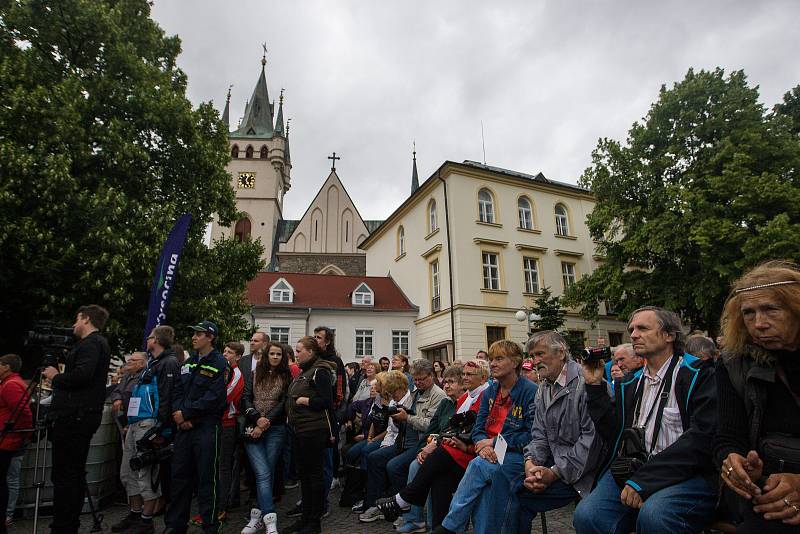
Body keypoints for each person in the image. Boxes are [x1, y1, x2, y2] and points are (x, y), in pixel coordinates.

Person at [573, 306, 718, 534]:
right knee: (587, 516)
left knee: (655, 515)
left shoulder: (697, 374)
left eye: (642, 328)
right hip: (635, 467)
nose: (633, 334)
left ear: (670, 335)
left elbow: (702, 439)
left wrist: (644, 481)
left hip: (686, 472)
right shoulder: (632, 382)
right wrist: (593, 387)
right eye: (631, 329)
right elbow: (614, 433)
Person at [714, 261, 800, 532]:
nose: (758, 324)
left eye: (771, 309)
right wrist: (733, 461)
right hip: (767, 489)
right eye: (748, 313)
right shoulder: (734, 362)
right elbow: (728, 435)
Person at [493, 331, 602, 533]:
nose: (535, 361)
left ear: (560, 353)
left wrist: (553, 473)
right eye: (532, 356)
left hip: (585, 473)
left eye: (540, 354)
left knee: (512, 492)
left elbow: (591, 442)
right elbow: (539, 434)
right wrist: (531, 463)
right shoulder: (544, 386)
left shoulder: (587, 382)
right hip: (553, 465)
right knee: (501, 480)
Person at [42, 304, 111, 534]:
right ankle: (66, 523)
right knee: (70, 473)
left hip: (76, 418)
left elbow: (82, 375)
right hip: (78, 416)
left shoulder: (93, 343)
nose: (73, 325)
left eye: (76, 319)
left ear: (86, 319)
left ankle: (64, 526)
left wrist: (56, 376)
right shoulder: (92, 344)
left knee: (66, 474)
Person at [359, 360, 446, 522]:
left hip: (421, 443)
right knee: (374, 457)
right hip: (404, 440)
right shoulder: (416, 392)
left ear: (431, 376)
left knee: (394, 466)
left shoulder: (438, 395)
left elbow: (431, 425)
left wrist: (407, 418)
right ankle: (376, 504)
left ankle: (401, 506)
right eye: (416, 379)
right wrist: (400, 418)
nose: (418, 382)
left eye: (421, 378)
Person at [114, 326, 180, 534]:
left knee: (145, 473)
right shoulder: (153, 363)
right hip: (136, 422)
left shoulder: (168, 363)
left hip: (150, 425)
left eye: (151, 337)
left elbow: (167, 398)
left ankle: (146, 520)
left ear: (157, 341)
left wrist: (161, 430)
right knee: (127, 472)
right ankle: (134, 514)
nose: (147, 339)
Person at [163, 320, 227, 534]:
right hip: (184, 428)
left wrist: (188, 414)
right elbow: (177, 391)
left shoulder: (219, 363)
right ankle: (175, 525)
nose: (194, 337)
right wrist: (180, 416)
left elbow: (215, 397)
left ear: (210, 337)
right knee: (179, 477)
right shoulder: (187, 363)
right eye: (193, 334)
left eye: (199, 334)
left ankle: (210, 525)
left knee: (207, 479)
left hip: (206, 428)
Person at [394, 363, 465, 533]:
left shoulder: (462, 403)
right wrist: (421, 450)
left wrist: (430, 446)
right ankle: (414, 518)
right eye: (446, 381)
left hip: (455, 454)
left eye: (451, 382)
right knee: (415, 464)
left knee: (431, 470)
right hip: (435, 449)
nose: (446, 385)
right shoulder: (446, 403)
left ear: (463, 384)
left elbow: (456, 434)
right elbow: (432, 430)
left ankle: (431, 522)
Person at [189, 341, 244, 528]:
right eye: (225, 351)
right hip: (210, 422)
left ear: (237, 357)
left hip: (226, 424)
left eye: (230, 353)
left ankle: (220, 508)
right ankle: (207, 509)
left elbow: (223, 397)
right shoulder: (221, 371)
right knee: (208, 466)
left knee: (222, 467)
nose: (226, 355)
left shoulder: (236, 374)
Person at [284, 336, 335, 534]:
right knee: (304, 476)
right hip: (300, 431)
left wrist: (306, 401)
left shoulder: (320, 371)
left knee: (314, 476)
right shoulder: (305, 372)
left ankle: (314, 523)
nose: (295, 354)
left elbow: (326, 401)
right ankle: (305, 519)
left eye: (298, 350)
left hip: (314, 431)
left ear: (311, 352)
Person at [240, 341, 291, 534]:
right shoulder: (254, 374)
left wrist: (266, 421)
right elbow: (245, 397)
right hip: (252, 427)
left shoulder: (286, 376)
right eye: (272, 354)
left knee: (265, 472)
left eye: (279, 354)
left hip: (275, 428)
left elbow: (284, 402)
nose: (276, 357)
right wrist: (256, 418)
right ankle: (269, 520)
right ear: (266, 356)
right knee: (262, 473)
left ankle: (257, 517)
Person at [0, 354, 32, 534]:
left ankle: (6, 515)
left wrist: (22, 435)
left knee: (7, 479)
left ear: (7, 367)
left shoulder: (11, 384)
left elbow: (24, 414)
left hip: (9, 441)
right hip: (10, 439)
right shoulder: (13, 383)